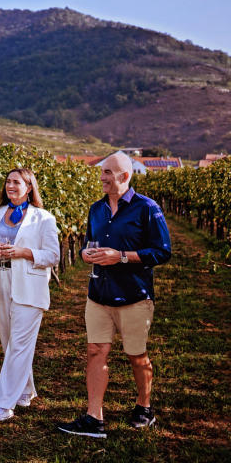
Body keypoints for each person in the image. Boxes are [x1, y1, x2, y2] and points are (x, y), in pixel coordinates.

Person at [57, 151, 172, 439]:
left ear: (125, 176)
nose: (102, 177)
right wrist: (86, 253)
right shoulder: (96, 209)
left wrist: (121, 257)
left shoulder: (147, 208)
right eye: (103, 172)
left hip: (134, 294)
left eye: (108, 172)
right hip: (99, 293)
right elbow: (87, 242)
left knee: (136, 354)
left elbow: (162, 251)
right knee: (95, 350)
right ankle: (94, 417)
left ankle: (144, 407)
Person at [0, 167, 61, 421]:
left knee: (20, 344)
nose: (10, 186)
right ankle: (25, 391)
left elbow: (53, 255)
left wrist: (24, 252)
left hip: (30, 284)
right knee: (9, 342)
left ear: (29, 187)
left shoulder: (43, 218)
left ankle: (5, 404)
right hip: (1, 280)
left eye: (16, 182)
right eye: (7, 182)